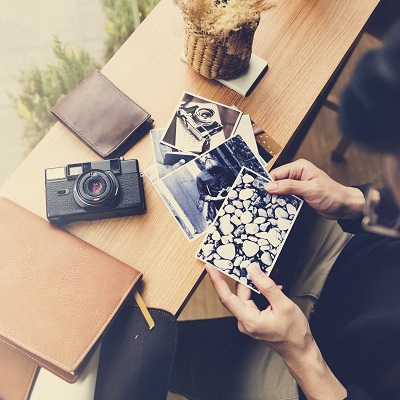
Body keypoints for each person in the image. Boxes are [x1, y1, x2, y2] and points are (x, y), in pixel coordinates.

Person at [169, 20, 400, 400]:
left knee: (168, 352)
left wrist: (301, 352)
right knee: (268, 191)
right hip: (351, 255)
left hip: (327, 373)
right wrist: (355, 202)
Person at [196, 157, 236, 222]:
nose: (206, 157)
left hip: (235, 196)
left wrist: (231, 187)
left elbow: (234, 178)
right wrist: (215, 198)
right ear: (200, 161)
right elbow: (202, 195)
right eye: (202, 156)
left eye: (206, 154)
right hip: (220, 203)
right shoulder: (200, 177)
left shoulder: (224, 167)